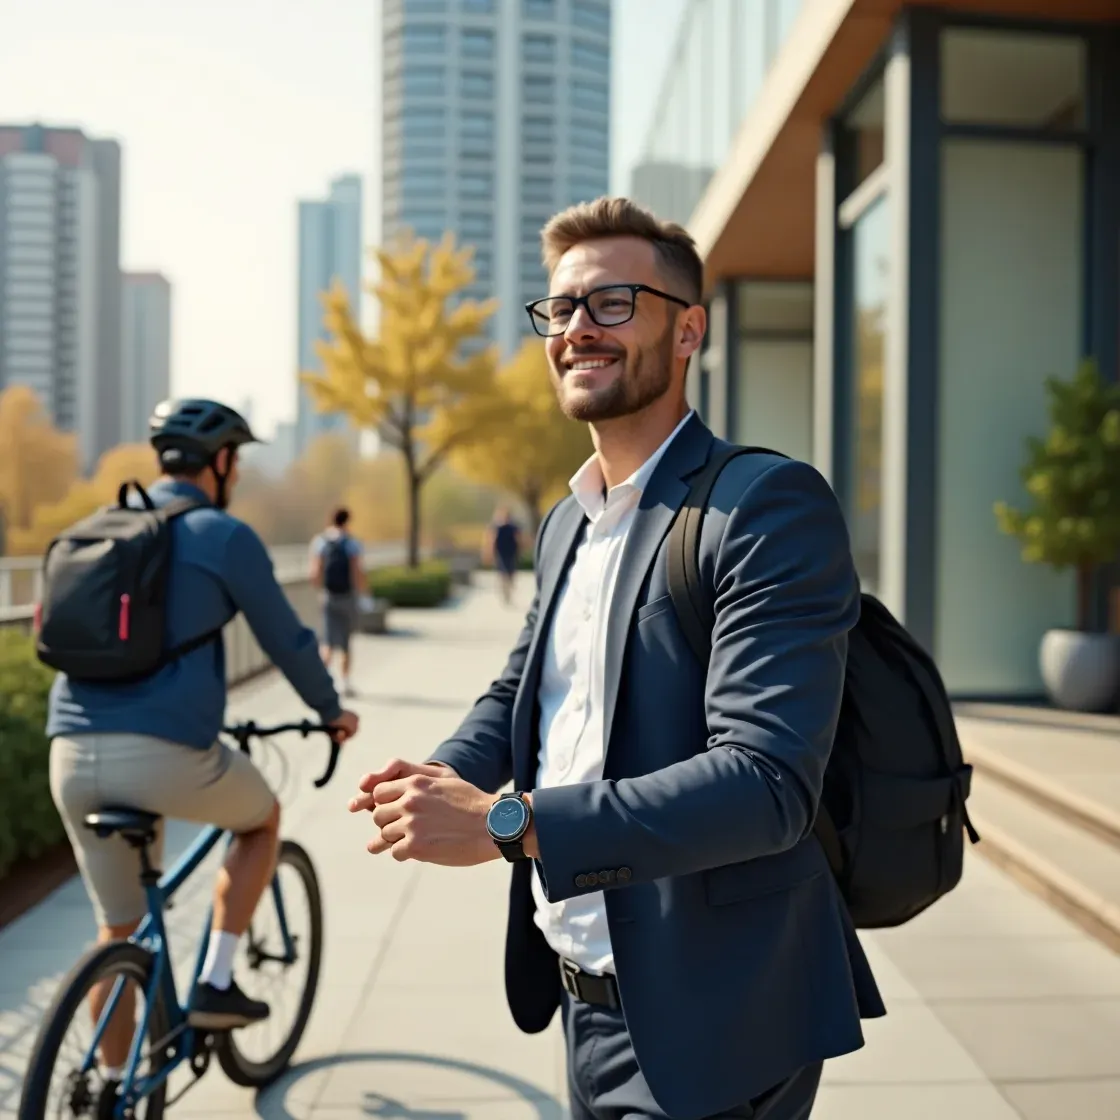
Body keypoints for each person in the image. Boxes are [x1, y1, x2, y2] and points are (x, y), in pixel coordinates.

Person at [347, 198, 885, 1120]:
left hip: (718, 1011)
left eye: (612, 304)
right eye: (560, 310)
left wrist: (508, 824)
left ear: (688, 330)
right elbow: (525, 689)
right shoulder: (568, 519)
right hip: (581, 997)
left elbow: (766, 784)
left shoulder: (765, 506)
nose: (576, 331)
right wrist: (446, 775)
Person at [46, 398, 360, 1101]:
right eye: (237, 462)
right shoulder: (223, 535)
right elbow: (288, 639)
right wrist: (331, 712)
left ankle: (107, 1090)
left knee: (116, 927)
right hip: (162, 753)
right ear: (219, 463)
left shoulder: (94, 528)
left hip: (68, 750)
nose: (238, 473)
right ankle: (217, 980)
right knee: (260, 818)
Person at [310, 507, 364, 696]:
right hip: (348, 597)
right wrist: (363, 593)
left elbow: (315, 572)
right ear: (347, 521)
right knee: (347, 642)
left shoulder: (320, 541)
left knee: (327, 642)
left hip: (328, 596)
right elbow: (357, 571)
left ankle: (320, 683)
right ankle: (345, 683)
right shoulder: (352, 543)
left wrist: (321, 590)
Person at [486, 506, 522, 605]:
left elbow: (518, 539)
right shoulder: (496, 527)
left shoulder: (513, 527)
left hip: (511, 552)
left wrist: (521, 550)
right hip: (500, 553)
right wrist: (489, 553)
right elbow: (491, 541)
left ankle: (508, 589)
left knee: (511, 573)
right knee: (503, 573)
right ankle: (505, 592)